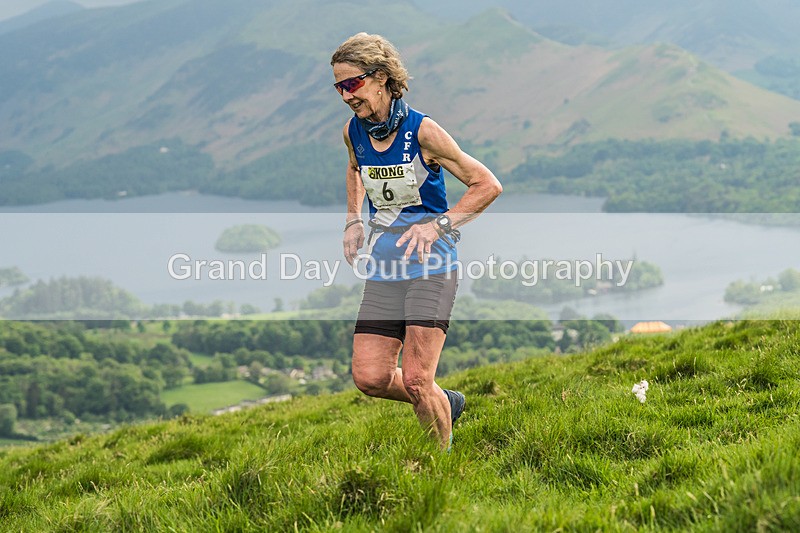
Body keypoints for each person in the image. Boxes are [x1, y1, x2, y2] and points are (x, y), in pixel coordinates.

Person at [331, 33, 502, 450]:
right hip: (386, 266)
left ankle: (440, 466)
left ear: (382, 77)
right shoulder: (354, 132)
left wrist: (436, 227)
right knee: (369, 377)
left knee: (416, 379)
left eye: (351, 84)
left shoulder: (423, 131)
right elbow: (355, 169)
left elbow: (487, 184)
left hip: (432, 267)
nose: (345, 96)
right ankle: (445, 400)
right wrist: (353, 222)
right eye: (338, 87)